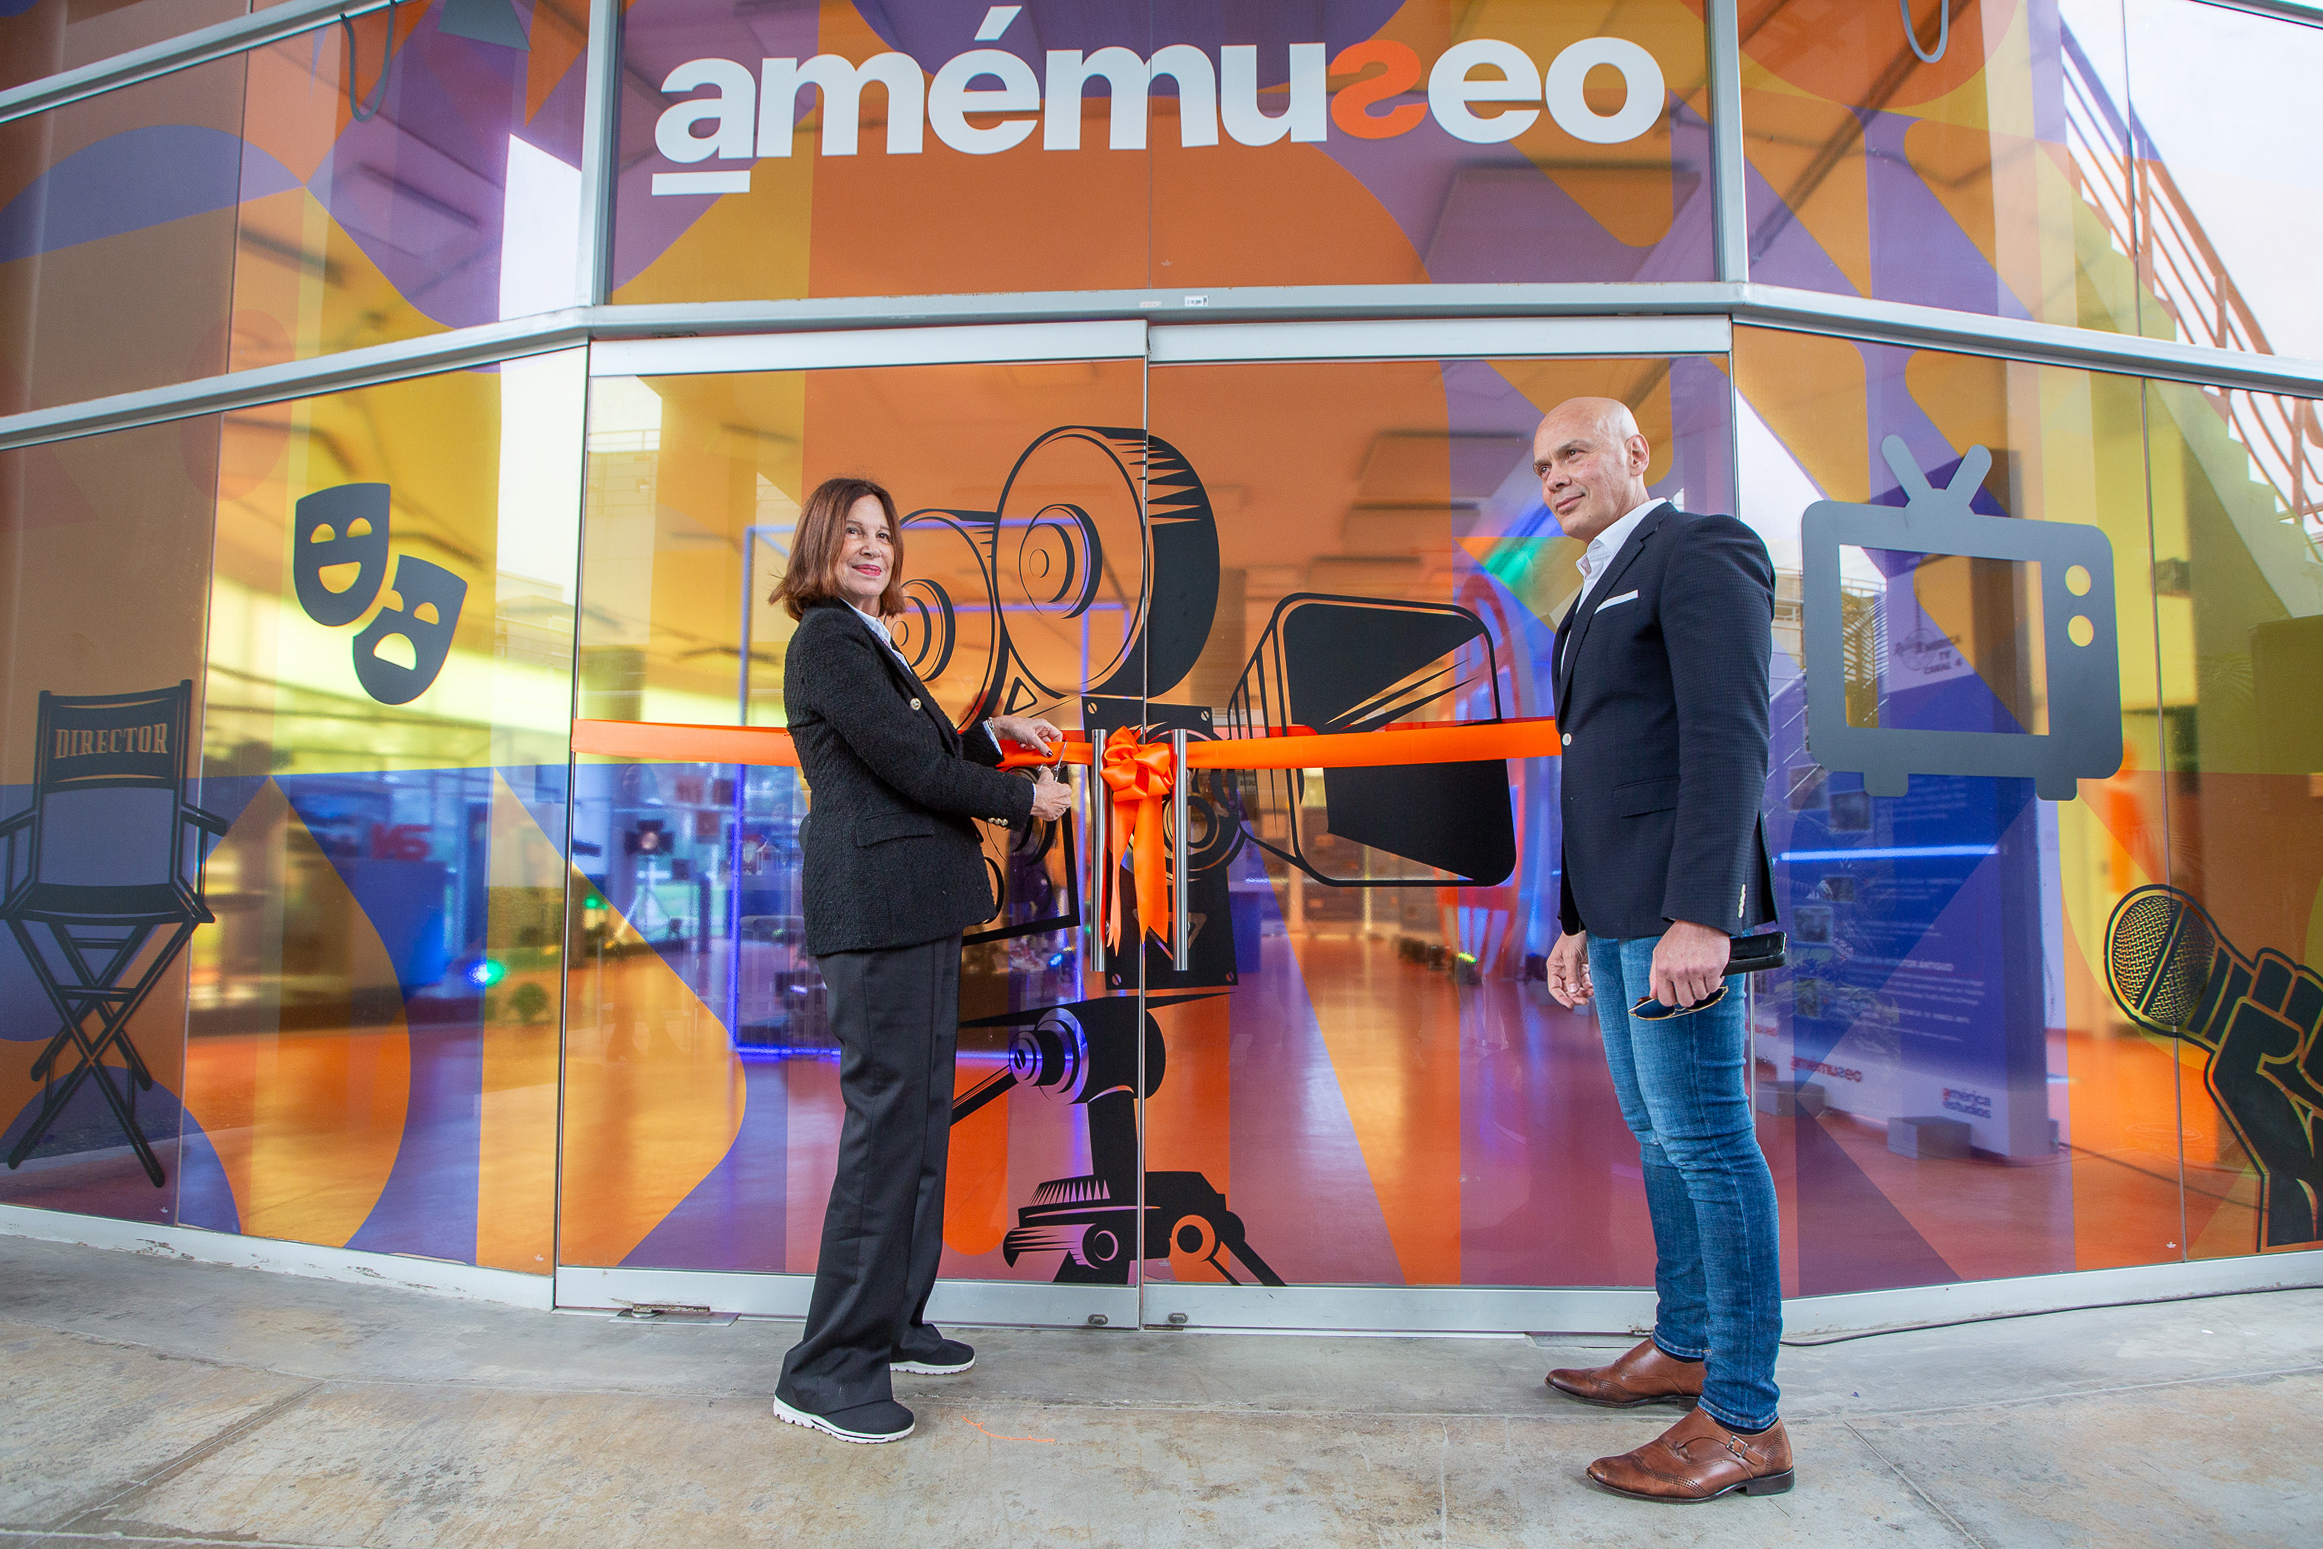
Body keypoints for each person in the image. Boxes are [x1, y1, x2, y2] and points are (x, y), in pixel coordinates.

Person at [768, 475, 1073, 1445]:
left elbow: (911, 748)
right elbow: (910, 771)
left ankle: (892, 1321)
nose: (872, 546)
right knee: (885, 1133)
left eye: (882, 533)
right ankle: (824, 1369)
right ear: (820, 544)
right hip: (880, 914)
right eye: (853, 532)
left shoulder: (869, 641)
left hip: (912, 910)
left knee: (919, 1127)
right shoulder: (826, 638)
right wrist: (1025, 801)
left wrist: (994, 735)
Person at [1532, 398, 1791, 1501]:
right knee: (1658, 1136)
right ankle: (1682, 1342)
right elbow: (1601, 765)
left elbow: (1729, 733)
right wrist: (1577, 917)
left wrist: (1706, 913)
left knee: (1709, 1142)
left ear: (1636, 453)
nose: (1555, 475)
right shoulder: (1586, 595)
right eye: (1542, 464)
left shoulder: (1699, 550)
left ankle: (1742, 1416)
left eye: (1575, 451)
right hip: (1624, 910)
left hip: (1680, 914)